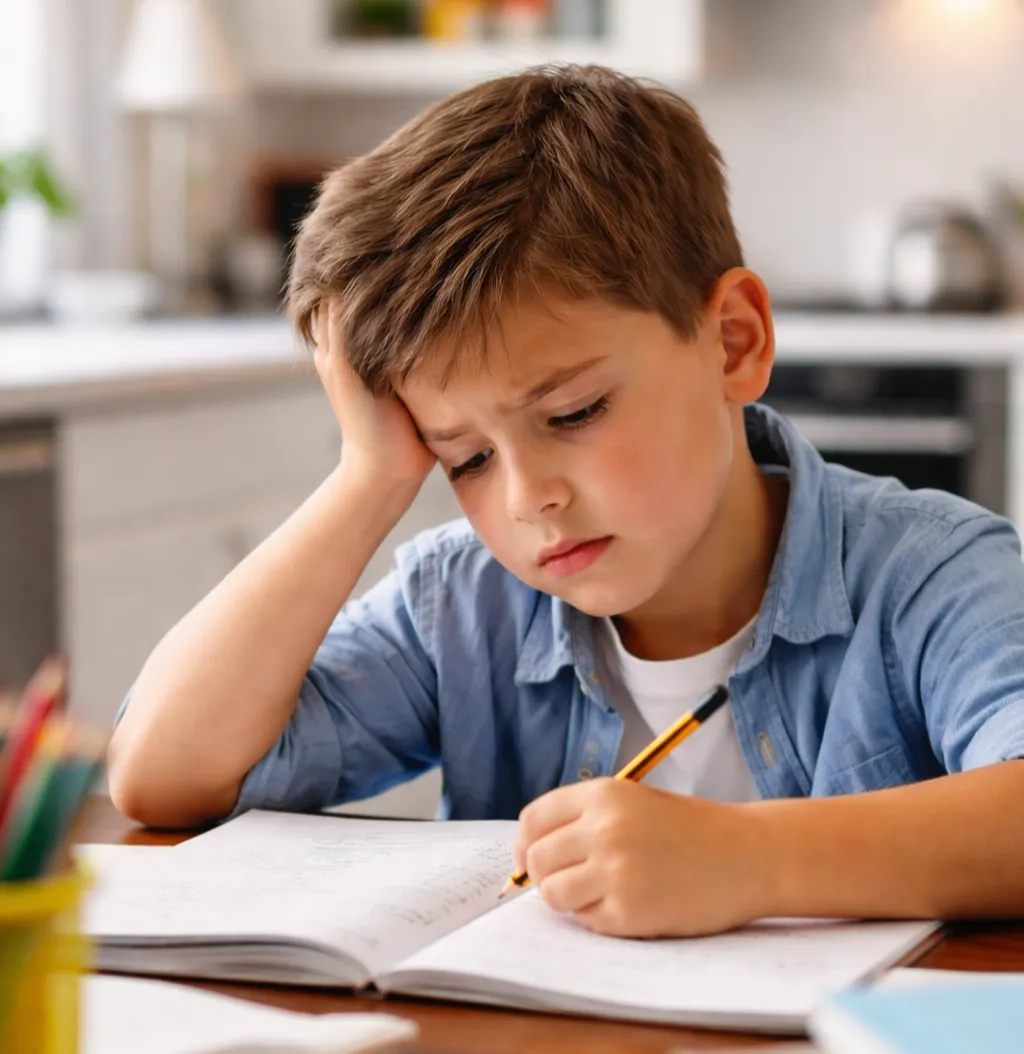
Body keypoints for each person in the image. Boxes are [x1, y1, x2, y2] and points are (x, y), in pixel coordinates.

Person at [108, 64, 1024, 939]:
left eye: (573, 411)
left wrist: (751, 860)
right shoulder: (464, 608)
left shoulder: (931, 577)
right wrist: (370, 478)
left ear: (733, 343)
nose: (528, 496)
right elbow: (161, 774)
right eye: (462, 458)